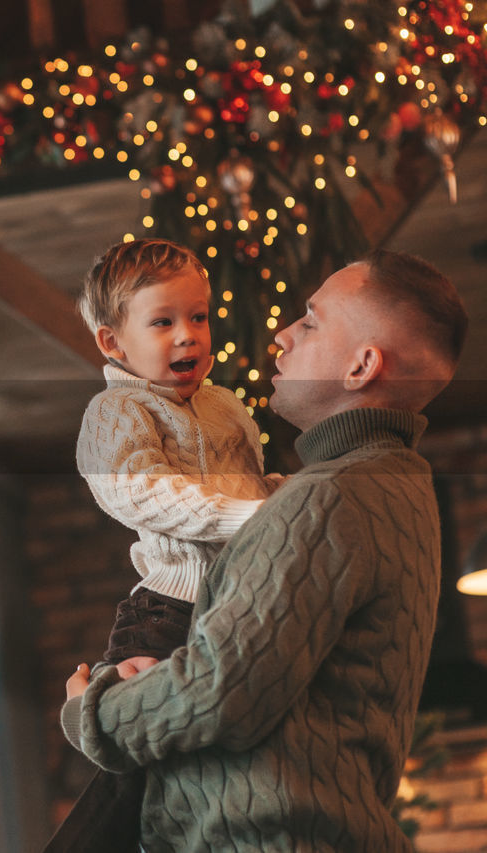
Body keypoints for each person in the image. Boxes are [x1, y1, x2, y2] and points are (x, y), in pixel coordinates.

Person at [61, 249, 468, 852]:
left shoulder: (328, 498)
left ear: (362, 366)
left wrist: (90, 711)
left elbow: (220, 690)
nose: (282, 332)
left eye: (309, 320)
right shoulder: (396, 488)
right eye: (162, 321)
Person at [47, 239, 281, 852]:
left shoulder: (226, 405)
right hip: (168, 614)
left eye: (198, 317)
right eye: (163, 322)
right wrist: (257, 519)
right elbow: (143, 494)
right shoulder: (117, 410)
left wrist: (292, 500)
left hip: (237, 605)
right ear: (111, 342)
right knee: (132, 776)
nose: (188, 336)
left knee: (203, 772)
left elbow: (254, 488)